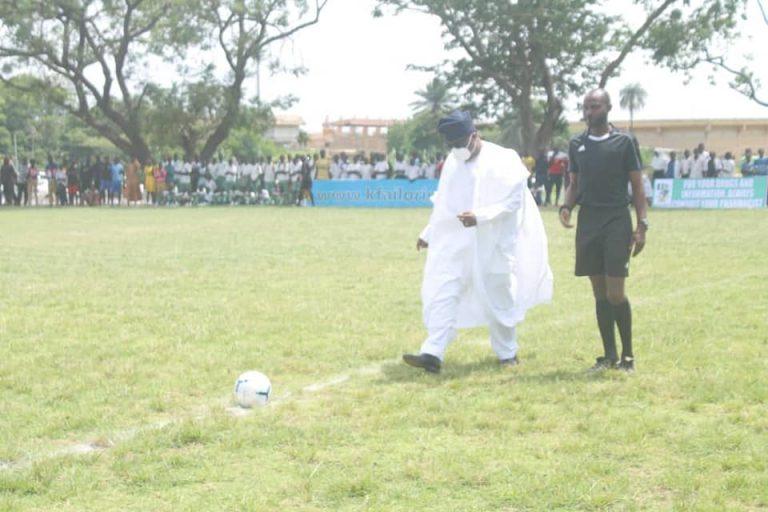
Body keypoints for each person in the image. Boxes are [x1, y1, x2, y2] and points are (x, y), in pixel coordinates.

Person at [402, 110, 553, 374]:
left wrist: (480, 217)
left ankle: (507, 354)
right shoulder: (452, 162)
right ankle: (433, 352)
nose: (457, 149)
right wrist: (429, 232)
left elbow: (512, 202)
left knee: (499, 296)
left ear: (475, 135)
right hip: (457, 240)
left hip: (493, 242)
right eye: (452, 145)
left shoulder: (504, 159)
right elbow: (445, 202)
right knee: (444, 289)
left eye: (461, 142)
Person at [559, 89, 648, 372]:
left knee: (615, 293)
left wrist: (641, 225)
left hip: (616, 220)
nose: (589, 111)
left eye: (595, 105)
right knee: (599, 293)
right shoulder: (577, 144)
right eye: (586, 106)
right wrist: (566, 206)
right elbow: (574, 182)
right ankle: (609, 356)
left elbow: (637, 186)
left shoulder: (624, 142)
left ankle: (628, 356)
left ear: (608, 108)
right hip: (589, 221)